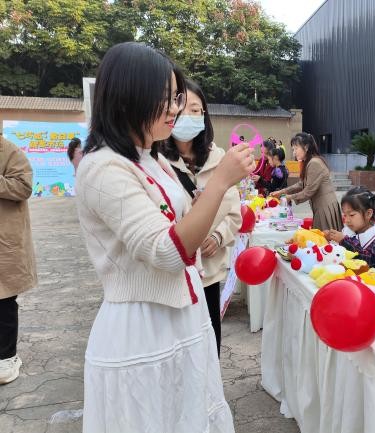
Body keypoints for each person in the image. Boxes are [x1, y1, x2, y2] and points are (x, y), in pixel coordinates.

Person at [75, 42, 253, 432]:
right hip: (142, 327)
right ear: (126, 99)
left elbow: (186, 226)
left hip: (182, 314)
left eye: (176, 98)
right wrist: (220, 182)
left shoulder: (152, 159)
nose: (174, 109)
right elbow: (168, 251)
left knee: (187, 414)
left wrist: (217, 210)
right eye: (166, 99)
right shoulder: (103, 168)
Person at [159, 78, 241, 356]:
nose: (188, 116)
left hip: (208, 272)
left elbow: (234, 212)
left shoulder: (220, 159)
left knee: (208, 344)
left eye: (196, 110)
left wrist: (218, 237)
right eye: (181, 108)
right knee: (179, 347)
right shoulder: (158, 161)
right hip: (174, 275)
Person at [0, 137, 37, 385]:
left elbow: (23, 187)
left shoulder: (10, 151)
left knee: (3, 302)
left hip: (4, 241)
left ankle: (6, 358)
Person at [271, 132, 343, 231]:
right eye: (293, 149)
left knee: (325, 240)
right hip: (322, 206)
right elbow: (301, 183)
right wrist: (282, 192)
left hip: (324, 207)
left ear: (306, 147)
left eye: (296, 149)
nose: (294, 153)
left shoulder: (314, 163)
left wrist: (289, 197)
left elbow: (308, 191)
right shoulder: (310, 161)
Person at [324, 186, 375, 270]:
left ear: (368, 214)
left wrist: (343, 241)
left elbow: (368, 260)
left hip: (372, 280)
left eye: (351, 215)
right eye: (345, 215)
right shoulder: (352, 229)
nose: (347, 220)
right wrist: (329, 239)